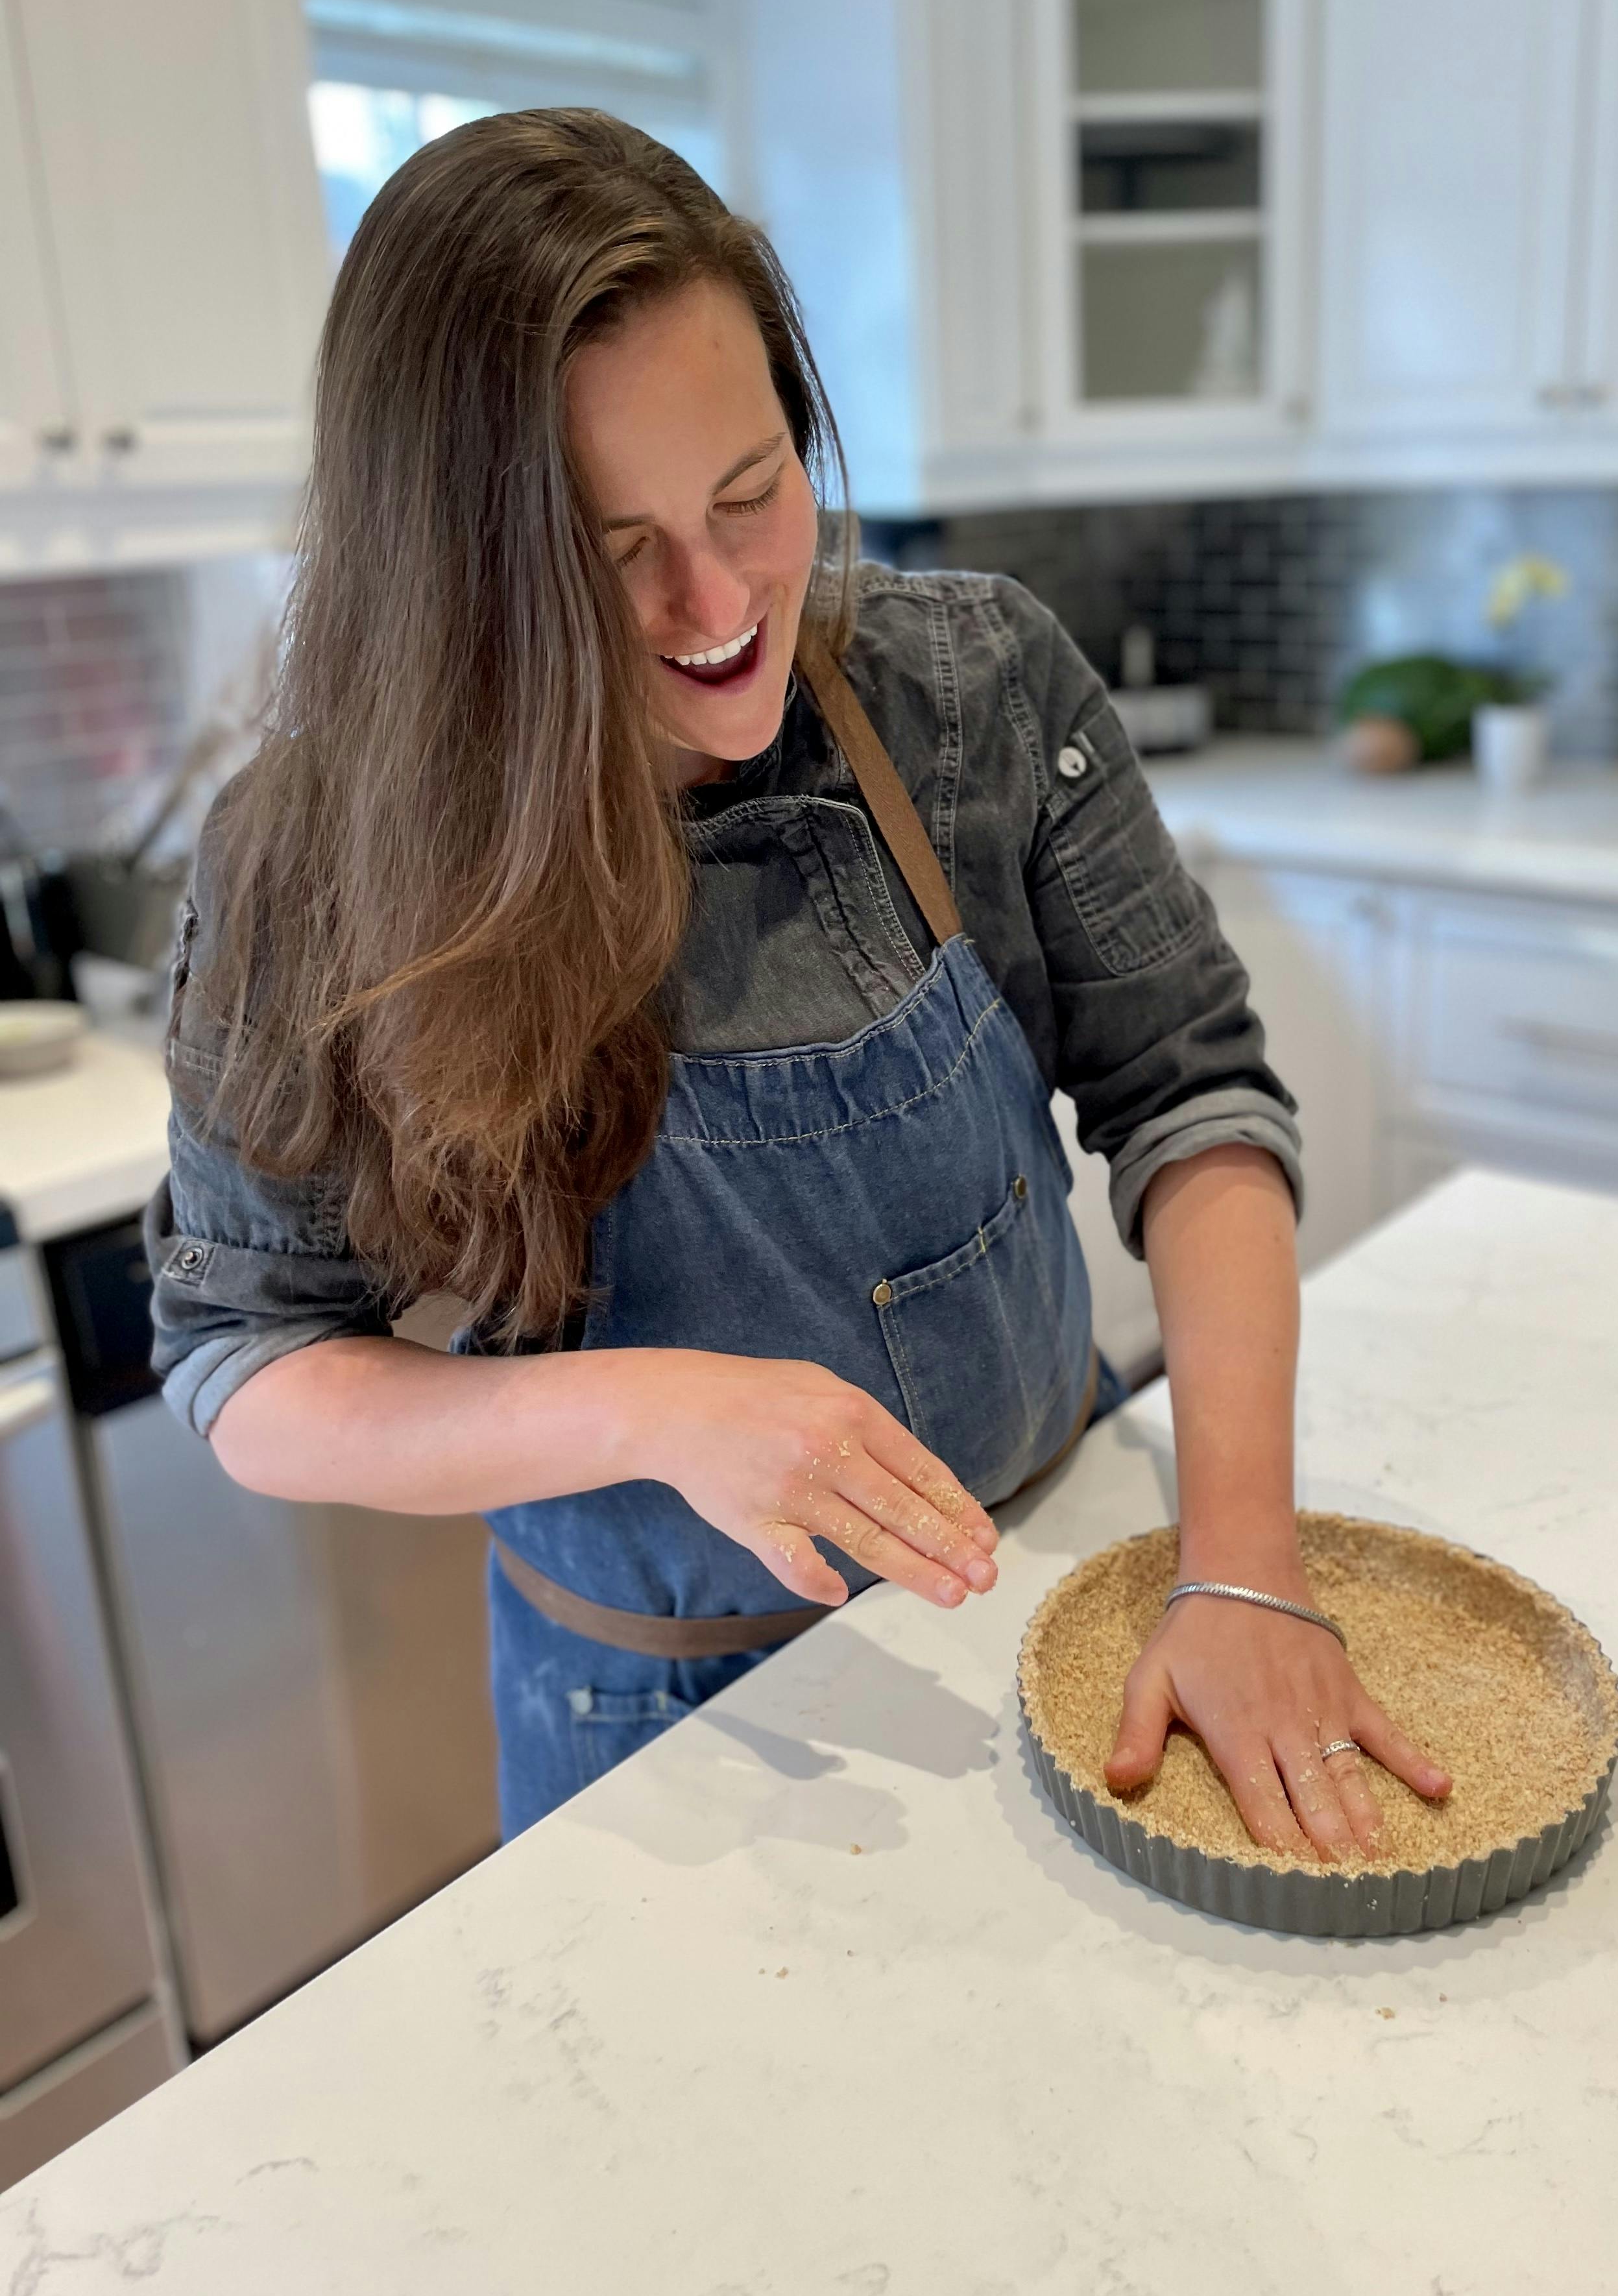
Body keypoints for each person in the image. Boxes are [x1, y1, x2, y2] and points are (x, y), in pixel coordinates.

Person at [146, 109, 1451, 1849]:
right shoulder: (310, 864)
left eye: (754, 491)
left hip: (1069, 1596)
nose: (718, 603)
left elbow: (1194, 1105)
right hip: (658, 1727)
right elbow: (254, 1371)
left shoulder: (973, 694)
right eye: (611, 557)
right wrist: (654, 1404)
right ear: (457, 579)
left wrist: (1247, 1572)